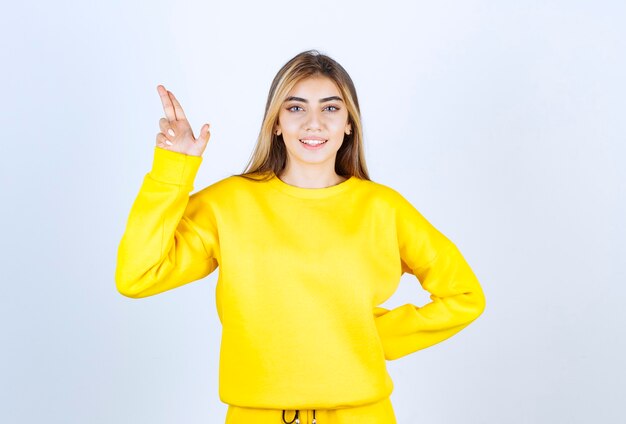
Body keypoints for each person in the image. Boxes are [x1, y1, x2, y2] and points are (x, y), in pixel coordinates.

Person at [115, 49, 486, 424]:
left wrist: (371, 338)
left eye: (330, 108)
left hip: (361, 415)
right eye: (295, 108)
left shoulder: (383, 209)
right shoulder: (228, 203)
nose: (314, 123)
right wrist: (172, 169)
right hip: (255, 414)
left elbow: (464, 296)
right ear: (275, 123)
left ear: (349, 123)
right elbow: (138, 276)